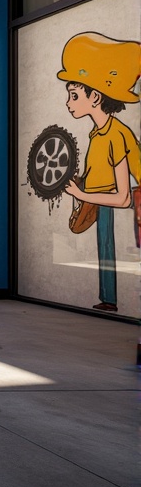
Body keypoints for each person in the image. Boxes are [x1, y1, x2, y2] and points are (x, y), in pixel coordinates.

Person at [56, 32, 141, 313]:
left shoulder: (116, 135)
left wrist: (82, 193)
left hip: (124, 202)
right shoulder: (97, 133)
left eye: (74, 95)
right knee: (104, 239)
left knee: (107, 238)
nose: (69, 102)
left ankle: (110, 299)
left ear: (95, 96)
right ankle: (109, 299)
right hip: (101, 199)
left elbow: (124, 198)